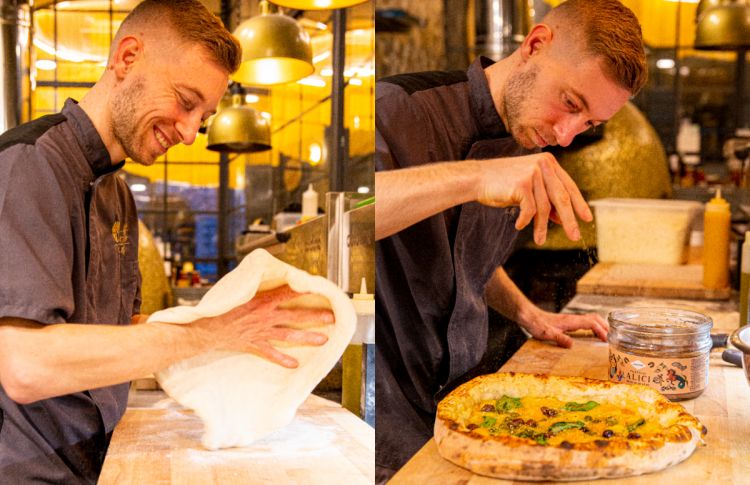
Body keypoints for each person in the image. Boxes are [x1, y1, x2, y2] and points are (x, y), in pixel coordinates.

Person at [0, 1, 332, 482]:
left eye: (205, 115)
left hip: (99, 461)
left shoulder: (118, 194)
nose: (192, 131)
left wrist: (231, 326)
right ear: (127, 57)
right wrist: (211, 333)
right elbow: (24, 365)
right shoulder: (27, 167)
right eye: (186, 99)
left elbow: (122, 324)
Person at [374, 0, 647, 480]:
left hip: (463, 403)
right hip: (383, 414)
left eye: (588, 124)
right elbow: (350, 217)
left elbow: (462, 256)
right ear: (535, 44)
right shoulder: (395, 108)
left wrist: (528, 313)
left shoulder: (527, 136)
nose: (566, 136)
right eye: (570, 103)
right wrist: (476, 177)